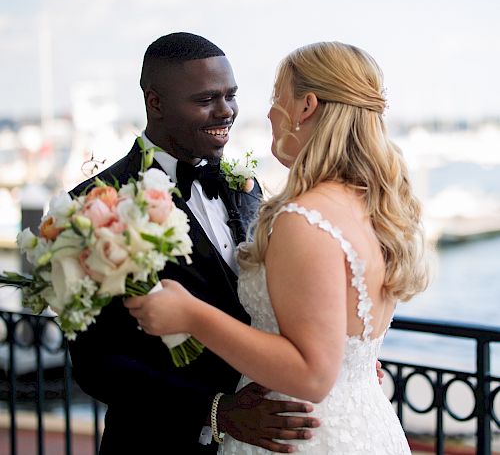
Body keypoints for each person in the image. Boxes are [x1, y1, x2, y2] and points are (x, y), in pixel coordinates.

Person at [125, 41, 429, 454]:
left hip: (298, 436)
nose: (264, 112)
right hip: (362, 426)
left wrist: (191, 315)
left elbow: (312, 374)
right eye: (208, 98)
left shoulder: (305, 217)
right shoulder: (373, 204)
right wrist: (347, 367)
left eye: (274, 97)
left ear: (305, 107)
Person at [69, 32, 321, 455]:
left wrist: (335, 355)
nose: (226, 112)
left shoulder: (245, 184)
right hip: (157, 445)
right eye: (206, 100)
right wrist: (217, 411)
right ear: (156, 103)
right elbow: (96, 363)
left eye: (231, 95)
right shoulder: (96, 204)